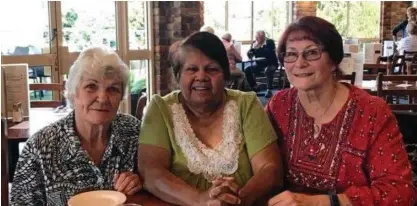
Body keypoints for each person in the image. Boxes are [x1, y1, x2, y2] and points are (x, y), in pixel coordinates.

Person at [266, 16, 416, 206]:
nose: (299, 63)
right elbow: (259, 167)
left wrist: (322, 202)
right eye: (290, 54)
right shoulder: (278, 105)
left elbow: (399, 192)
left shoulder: (372, 111)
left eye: (312, 53)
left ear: (334, 60)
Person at [138, 32, 283, 206]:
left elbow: (270, 169)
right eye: (191, 69)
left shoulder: (247, 104)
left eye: (212, 69)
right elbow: (151, 173)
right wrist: (200, 200)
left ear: (226, 76)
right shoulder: (160, 109)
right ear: (178, 76)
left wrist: (237, 200)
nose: (201, 77)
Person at [10, 46, 142, 206]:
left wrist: (139, 181)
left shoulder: (133, 131)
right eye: (91, 86)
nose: (102, 97)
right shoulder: (39, 148)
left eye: (113, 89)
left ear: (121, 96)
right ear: (74, 92)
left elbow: (154, 181)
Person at [245, 30, 279, 98]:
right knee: (247, 69)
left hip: (270, 63)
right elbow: (250, 54)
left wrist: (257, 48)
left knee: (268, 70)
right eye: (256, 37)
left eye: (258, 37)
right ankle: (255, 87)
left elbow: (268, 53)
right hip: (259, 64)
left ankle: (269, 90)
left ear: (263, 37)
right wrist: (250, 52)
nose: (256, 39)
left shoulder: (269, 42)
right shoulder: (255, 43)